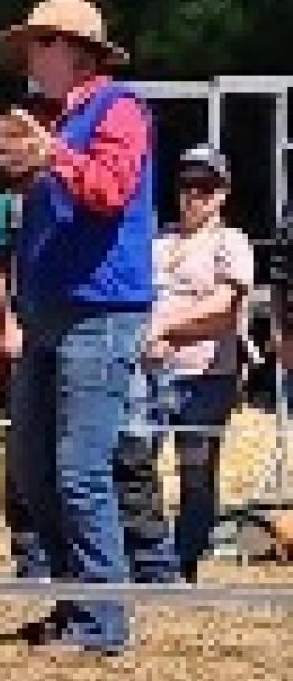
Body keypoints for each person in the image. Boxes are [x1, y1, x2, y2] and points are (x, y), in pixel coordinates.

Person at [0, 0, 156, 654]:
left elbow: (109, 191)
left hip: (102, 309)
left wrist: (49, 152)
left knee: (81, 470)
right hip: (46, 309)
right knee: (33, 471)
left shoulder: (119, 110)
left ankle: (102, 621)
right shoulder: (49, 118)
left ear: (74, 51)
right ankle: (72, 606)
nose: (31, 59)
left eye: (40, 45)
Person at [118, 146, 255, 584]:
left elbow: (225, 306)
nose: (194, 196)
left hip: (205, 378)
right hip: (148, 373)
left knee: (195, 474)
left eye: (205, 187)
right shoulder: (156, 241)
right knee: (137, 466)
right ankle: (148, 558)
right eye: (186, 186)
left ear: (223, 193)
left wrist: (165, 329)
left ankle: (185, 560)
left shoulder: (231, 243)